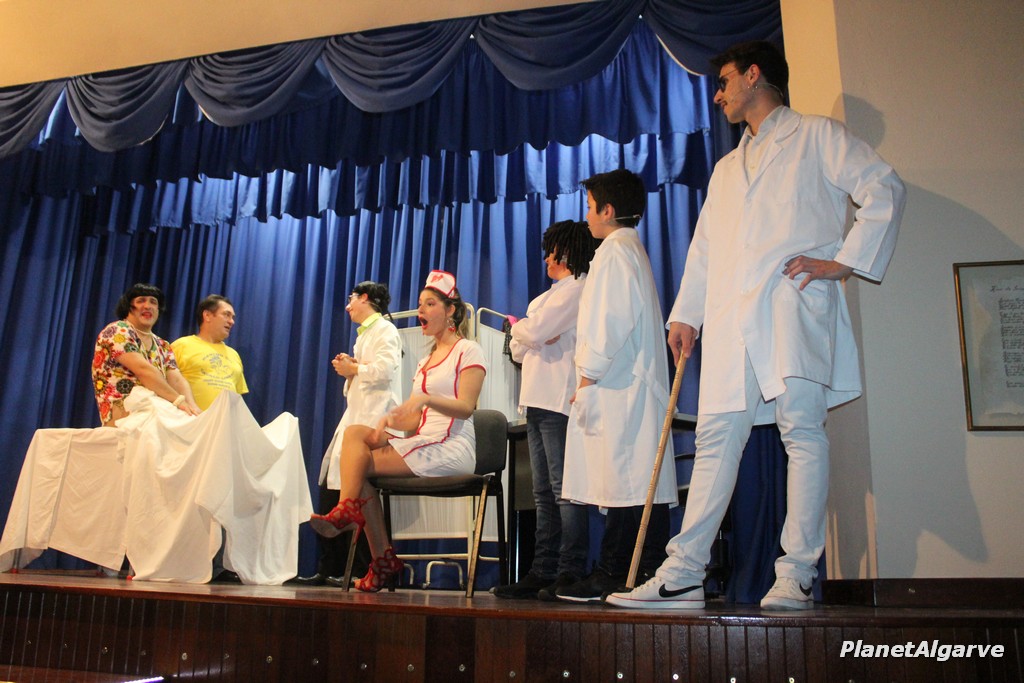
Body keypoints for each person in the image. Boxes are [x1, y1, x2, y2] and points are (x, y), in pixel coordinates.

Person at [605, 41, 906, 611]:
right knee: (717, 437)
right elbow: (704, 248)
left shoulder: (818, 136)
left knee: (802, 432)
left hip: (792, 307)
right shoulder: (726, 168)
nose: (718, 95)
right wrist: (687, 314)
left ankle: (796, 573)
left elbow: (884, 188)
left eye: (723, 82)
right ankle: (684, 573)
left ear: (754, 75)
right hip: (731, 320)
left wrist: (843, 261)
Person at [308, 270, 488, 592]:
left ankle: (361, 531)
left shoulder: (468, 350)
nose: (421, 310)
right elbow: (416, 421)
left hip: (452, 446)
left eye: (430, 304)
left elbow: (466, 407)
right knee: (355, 435)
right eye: (420, 304)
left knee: (359, 465)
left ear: (450, 310)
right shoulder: (425, 360)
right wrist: (390, 420)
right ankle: (377, 551)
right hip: (426, 439)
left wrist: (425, 399)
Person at [554, 170, 678, 604]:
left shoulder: (614, 252)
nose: (587, 216)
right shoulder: (628, 249)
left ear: (608, 210)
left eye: (590, 207)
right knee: (636, 481)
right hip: (627, 385)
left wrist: (587, 375)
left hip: (619, 387)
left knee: (625, 481)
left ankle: (613, 572)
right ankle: (643, 569)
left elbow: (610, 321)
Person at [493, 220, 598, 600]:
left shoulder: (578, 288)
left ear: (565, 253)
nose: (546, 259)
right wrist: (530, 331)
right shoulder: (545, 298)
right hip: (536, 401)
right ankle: (543, 569)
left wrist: (529, 330)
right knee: (542, 492)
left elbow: (531, 334)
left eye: (551, 251)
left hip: (559, 401)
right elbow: (519, 348)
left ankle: (570, 570)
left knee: (563, 490)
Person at [294, 281, 402, 587]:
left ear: (365, 298)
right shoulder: (365, 334)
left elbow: (386, 370)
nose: (347, 306)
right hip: (358, 415)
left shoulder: (385, 330)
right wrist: (353, 367)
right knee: (337, 484)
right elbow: (367, 375)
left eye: (351, 299)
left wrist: (354, 369)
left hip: (374, 418)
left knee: (352, 488)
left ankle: (361, 565)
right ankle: (343, 565)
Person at [93, 283, 200, 426]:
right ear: (128, 306)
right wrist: (179, 401)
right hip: (124, 411)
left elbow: (176, 379)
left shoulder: (163, 345)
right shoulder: (117, 331)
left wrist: (192, 408)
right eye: (141, 301)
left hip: (157, 408)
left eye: (153, 302)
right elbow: (144, 370)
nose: (148, 306)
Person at [171, 295, 249, 411]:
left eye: (232, 317)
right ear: (207, 315)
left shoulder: (234, 355)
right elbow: (166, 384)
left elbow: (237, 398)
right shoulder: (181, 345)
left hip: (226, 421)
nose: (232, 321)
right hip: (191, 418)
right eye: (226, 315)